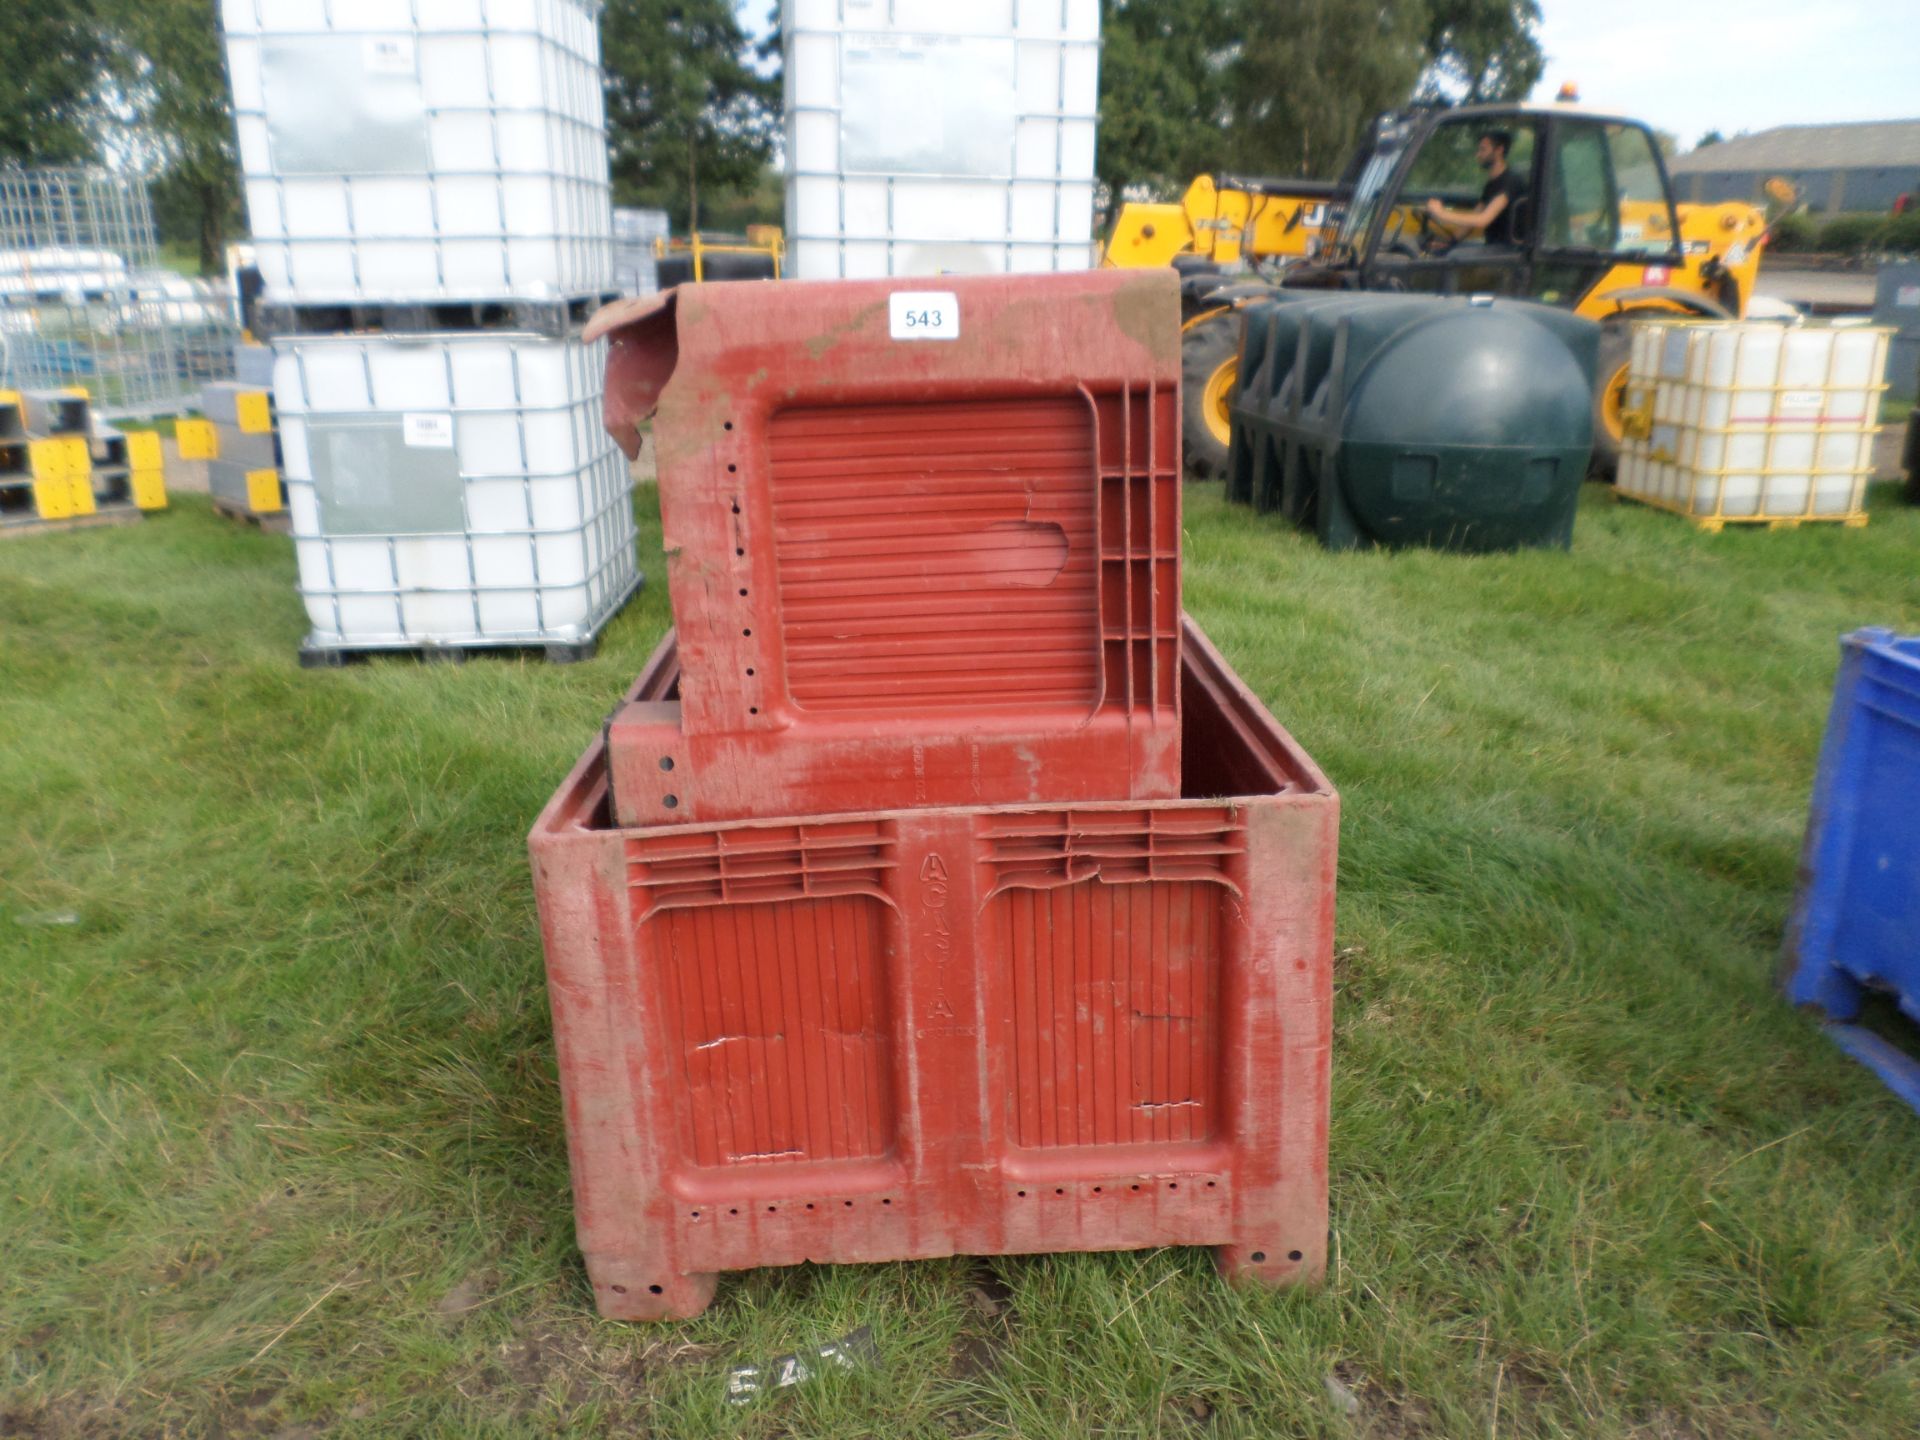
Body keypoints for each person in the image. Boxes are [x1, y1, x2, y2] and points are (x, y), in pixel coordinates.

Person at [1426, 130, 1527, 246]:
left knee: (1456, 258)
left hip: (1506, 250)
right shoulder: (1492, 184)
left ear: (1499, 150)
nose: (1478, 154)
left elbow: (1483, 220)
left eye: (1483, 149)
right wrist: (1450, 242)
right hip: (1492, 246)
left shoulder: (1510, 182)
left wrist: (1441, 213)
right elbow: (1475, 216)